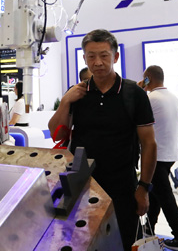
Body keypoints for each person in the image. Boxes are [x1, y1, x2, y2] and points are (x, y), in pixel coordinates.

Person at [49, 29, 156, 251]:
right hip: (82, 185)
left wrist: (144, 187)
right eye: (91, 56)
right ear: (84, 58)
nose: (97, 62)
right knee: (83, 242)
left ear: (115, 57)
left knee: (124, 240)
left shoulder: (133, 93)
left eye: (104, 55)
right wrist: (66, 101)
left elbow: (149, 144)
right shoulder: (77, 93)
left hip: (122, 185)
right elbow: (57, 134)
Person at [139, 65, 178, 251]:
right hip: (169, 154)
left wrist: (140, 91)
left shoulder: (150, 98)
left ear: (148, 78)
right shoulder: (172, 97)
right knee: (156, 194)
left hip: (156, 156)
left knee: (165, 198)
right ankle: (149, 228)